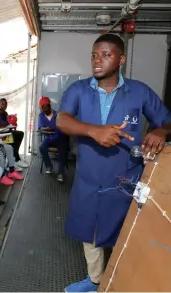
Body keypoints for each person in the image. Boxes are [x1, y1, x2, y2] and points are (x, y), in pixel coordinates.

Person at [56, 33, 171, 292]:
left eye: (105, 55)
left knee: (126, 232)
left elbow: (167, 120)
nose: (97, 60)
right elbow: (62, 120)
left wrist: (161, 132)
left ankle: (119, 281)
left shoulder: (139, 91)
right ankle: (95, 280)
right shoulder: (78, 90)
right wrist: (94, 131)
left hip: (126, 179)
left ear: (121, 60)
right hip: (88, 177)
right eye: (94, 55)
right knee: (91, 234)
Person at [0, 98, 28, 169]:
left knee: (20, 134)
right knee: (13, 138)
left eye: (6, 104)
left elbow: (8, 124)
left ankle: (15, 158)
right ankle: (15, 160)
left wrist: (13, 124)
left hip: (6, 132)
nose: (4, 106)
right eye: (2, 104)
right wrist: (3, 125)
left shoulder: (6, 113)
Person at [38, 96, 69, 182]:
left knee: (63, 149)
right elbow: (40, 128)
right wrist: (44, 129)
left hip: (59, 137)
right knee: (42, 147)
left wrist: (53, 129)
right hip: (49, 138)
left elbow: (63, 127)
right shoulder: (41, 116)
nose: (44, 110)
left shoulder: (57, 114)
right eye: (42, 108)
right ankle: (49, 166)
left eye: (46, 107)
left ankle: (60, 173)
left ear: (49, 106)